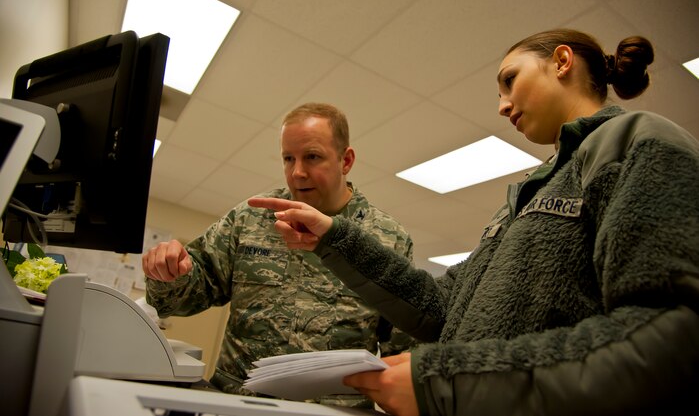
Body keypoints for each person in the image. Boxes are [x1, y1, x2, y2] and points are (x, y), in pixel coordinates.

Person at [248, 29, 699, 416]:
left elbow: (669, 335)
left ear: (561, 61)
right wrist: (334, 237)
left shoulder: (637, 141)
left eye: (510, 80)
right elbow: (441, 305)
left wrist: (444, 383)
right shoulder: (530, 192)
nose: (502, 105)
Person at [142, 102, 415, 407]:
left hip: (330, 411)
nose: (297, 172)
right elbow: (191, 290)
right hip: (238, 403)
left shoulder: (388, 239)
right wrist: (167, 273)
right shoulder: (251, 217)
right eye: (288, 158)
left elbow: (402, 350)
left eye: (312, 157)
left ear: (346, 160)